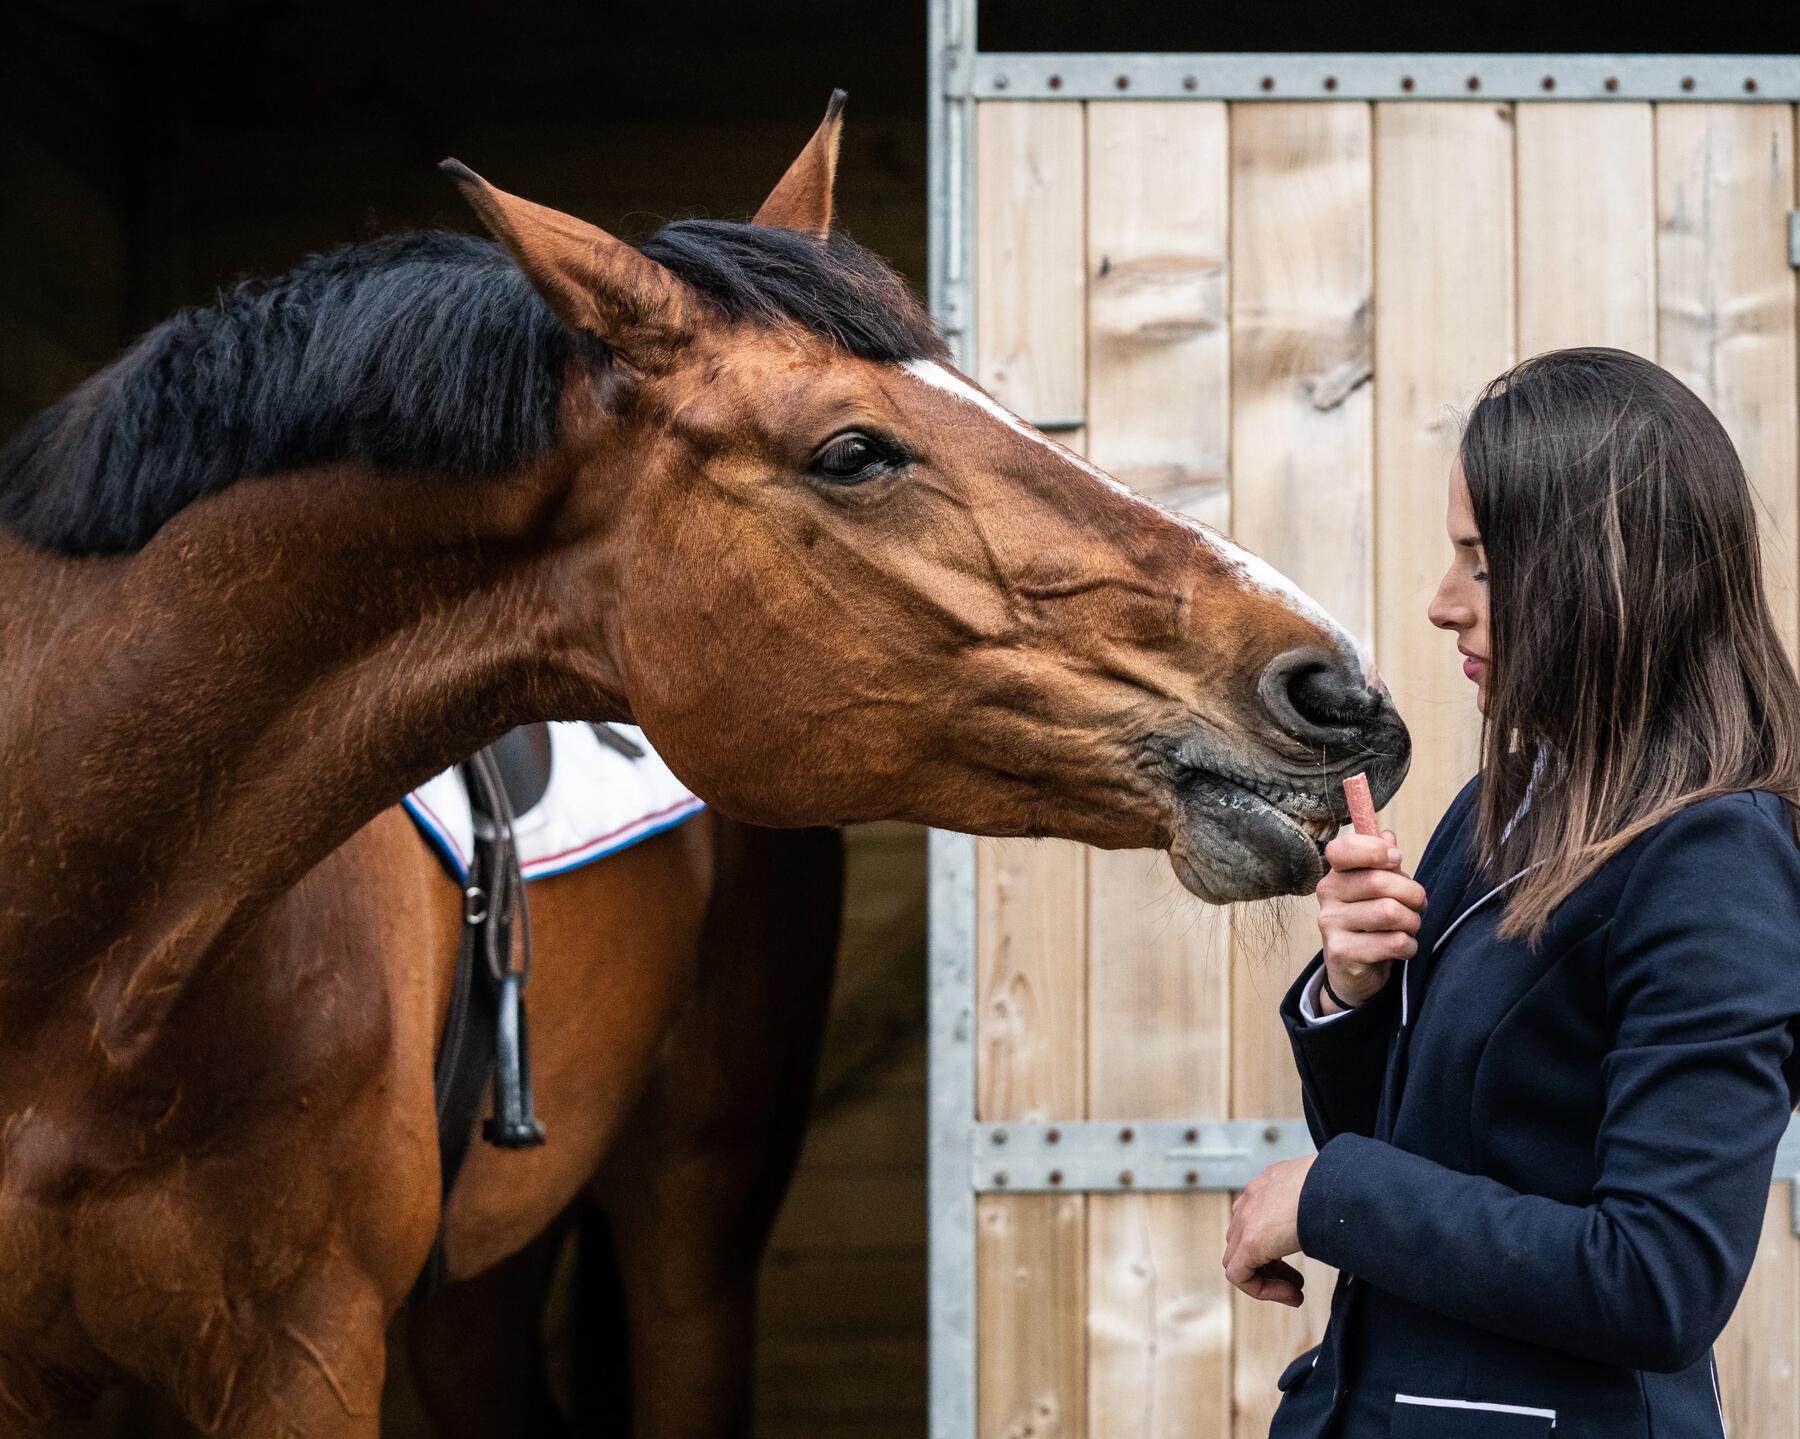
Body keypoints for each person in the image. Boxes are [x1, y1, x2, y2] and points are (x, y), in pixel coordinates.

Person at [1222, 348, 1800, 1438]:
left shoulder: (1717, 858)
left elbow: (1657, 1277)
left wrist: (1329, 1196)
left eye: (1483, 564)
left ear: (1613, 572)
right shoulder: (1512, 797)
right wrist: (1352, 988)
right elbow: (1417, 1140)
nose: (1444, 604)